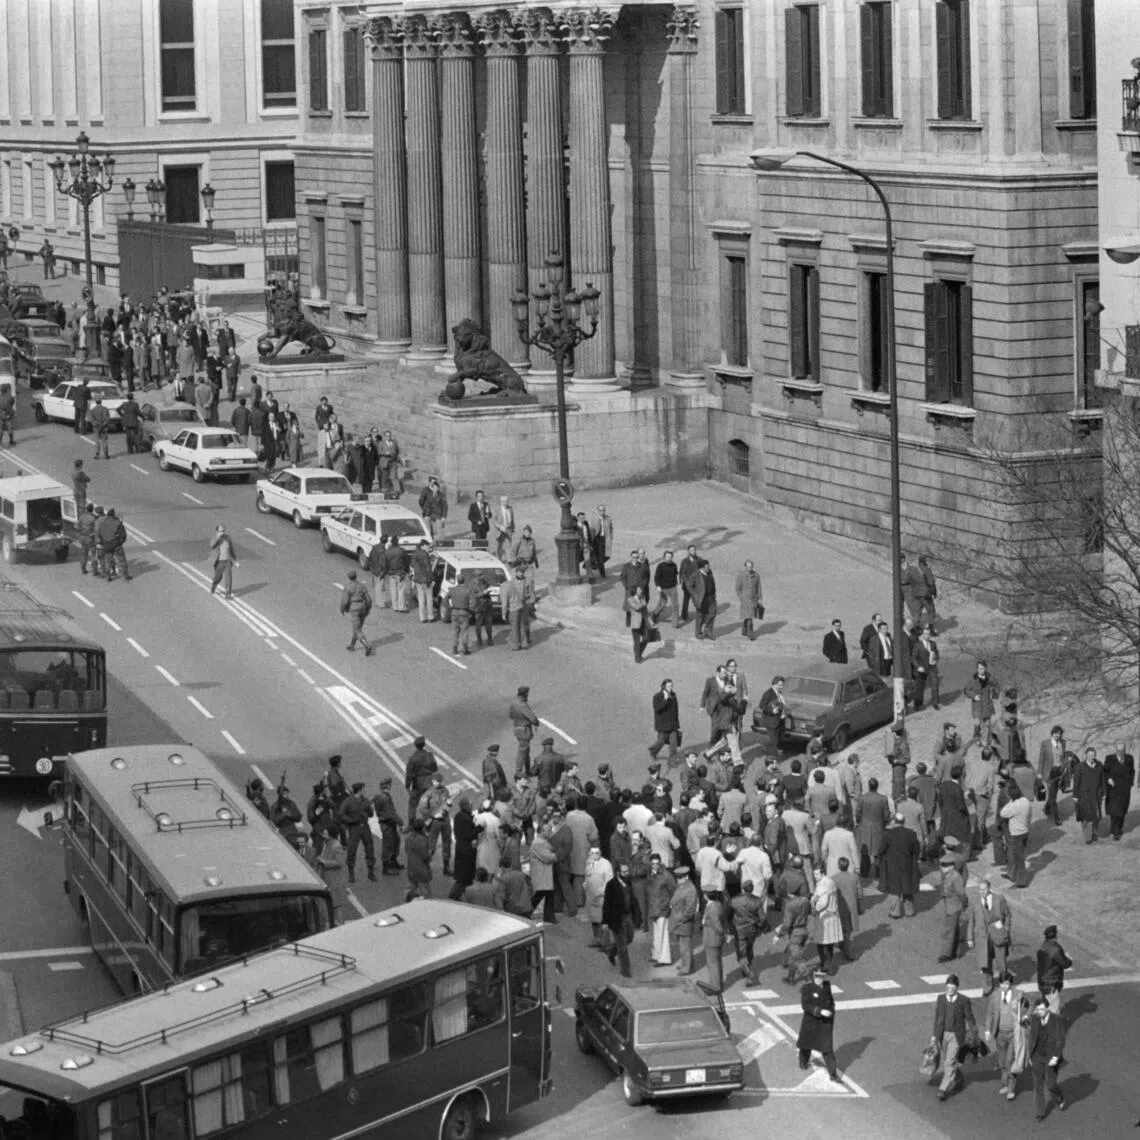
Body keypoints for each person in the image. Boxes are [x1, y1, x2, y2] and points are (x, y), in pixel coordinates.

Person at [930, 974, 976, 1102]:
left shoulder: (963, 1000)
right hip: (942, 1035)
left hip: (956, 1035)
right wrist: (934, 1036)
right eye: (948, 987)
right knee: (949, 1059)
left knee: (949, 1061)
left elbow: (970, 1018)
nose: (950, 989)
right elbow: (937, 1018)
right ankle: (959, 1078)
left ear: (957, 988)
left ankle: (943, 1089)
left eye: (953, 987)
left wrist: (974, 1033)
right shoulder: (940, 999)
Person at [984, 970, 1028, 1102]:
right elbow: (990, 1013)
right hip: (999, 1034)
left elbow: (1029, 1006)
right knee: (1002, 1061)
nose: (1004, 986)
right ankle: (1004, 1083)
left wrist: (1025, 1016)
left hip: (1013, 1033)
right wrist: (987, 1030)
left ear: (1010, 983)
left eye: (1007, 983)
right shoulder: (995, 995)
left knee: (1010, 1061)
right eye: (1002, 983)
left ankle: (1011, 1088)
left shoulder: (1018, 994)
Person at [966, 878, 1011, 995]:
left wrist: (1006, 930)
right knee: (985, 964)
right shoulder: (975, 903)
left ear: (989, 889)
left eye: (984, 889)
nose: (982, 892)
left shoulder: (999, 899)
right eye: (979, 890)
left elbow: (1008, 915)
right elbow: (971, 921)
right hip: (982, 938)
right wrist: (970, 938)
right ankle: (987, 987)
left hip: (998, 936)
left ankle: (1004, 982)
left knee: (1001, 963)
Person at [798, 966, 842, 1082]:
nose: (819, 979)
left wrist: (831, 1012)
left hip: (824, 1024)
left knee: (827, 1049)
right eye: (817, 976)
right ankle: (803, 1061)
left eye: (821, 976)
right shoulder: (807, 988)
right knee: (806, 1045)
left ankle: (833, 1075)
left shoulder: (827, 986)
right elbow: (805, 1005)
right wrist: (820, 1011)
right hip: (811, 1022)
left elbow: (831, 1001)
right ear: (813, 976)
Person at [1027, 995, 1067, 1121]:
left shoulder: (1056, 1020)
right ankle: (1041, 1111)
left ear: (1047, 1009)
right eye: (1038, 1010)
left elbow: (1061, 1039)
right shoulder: (1034, 1018)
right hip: (1037, 1056)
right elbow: (1031, 1037)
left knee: (1051, 1084)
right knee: (1038, 1085)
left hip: (1051, 1057)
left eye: (1042, 1010)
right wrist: (1029, 1055)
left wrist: (1056, 1056)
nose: (1040, 1012)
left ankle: (1059, 1095)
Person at [879, 811, 920, 919]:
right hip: (907, 864)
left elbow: (881, 850)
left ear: (894, 821)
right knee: (907, 887)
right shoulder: (911, 833)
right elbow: (916, 850)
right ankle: (909, 910)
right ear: (904, 821)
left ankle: (895, 912)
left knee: (894, 889)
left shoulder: (888, 834)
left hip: (892, 865)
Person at [337, 782, 376, 883]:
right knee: (352, 850)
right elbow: (341, 814)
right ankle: (351, 874)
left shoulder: (365, 801)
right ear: (359, 790)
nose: (364, 790)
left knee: (369, 849)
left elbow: (371, 814)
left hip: (365, 827)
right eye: (363, 788)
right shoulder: (348, 801)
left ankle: (371, 872)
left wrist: (368, 809)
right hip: (354, 828)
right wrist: (351, 821)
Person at [937, 849, 968, 962]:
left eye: (945, 865)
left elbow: (961, 893)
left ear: (952, 866)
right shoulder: (949, 875)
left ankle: (947, 953)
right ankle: (954, 951)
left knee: (949, 930)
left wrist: (964, 904)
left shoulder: (955, 877)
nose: (942, 868)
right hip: (951, 904)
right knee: (954, 929)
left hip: (954, 906)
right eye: (942, 865)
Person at [1036, 925, 1072, 1014]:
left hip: (1042, 981)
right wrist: (1069, 959)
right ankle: (1049, 1026)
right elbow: (1065, 963)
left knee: (1046, 1004)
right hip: (1051, 983)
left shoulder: (1043, 946)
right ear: (1055, 936)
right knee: (1053, 1009)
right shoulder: (1055, 949)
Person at [1072, 746, 1105, 843]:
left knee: (1096, 816)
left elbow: (1102, 779)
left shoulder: (1099, 765)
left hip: (1096, 795)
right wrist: (1075, 795)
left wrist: (1104, 792)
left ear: (1095, 756)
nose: (1091, 757)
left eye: (1093, 755)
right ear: (1086, 755)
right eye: (1089, 755)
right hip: (1084, 795)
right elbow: (1076, 782)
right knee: (1086, 816)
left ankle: (1094, 833)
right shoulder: (1080, 767)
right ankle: (1088, 837)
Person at [1103, 741, 1135, 840]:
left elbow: (1132, 771)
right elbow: (1105, 772)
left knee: (1122, 810)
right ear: (1116, 750)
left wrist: (1130, 781)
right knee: (1115, 811)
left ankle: (1119, 829)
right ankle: (1115, 832)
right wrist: (1108, 779)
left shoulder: (1129, 758)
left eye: (1122, 750)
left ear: (1125, 750)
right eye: (1119, 750)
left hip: (1125, 789)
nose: (1121, 752)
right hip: (1113, 789)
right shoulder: (1109, 758)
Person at [1036, 725, 1067, 826]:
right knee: (1053, 795)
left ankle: (1046, 808)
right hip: (1049, 772)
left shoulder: (1063, 742)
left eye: (1059, 734)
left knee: (1054, 792)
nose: (1057, 736)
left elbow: (1063, 756)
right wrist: (1039, 773)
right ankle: (1057, 817)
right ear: (1052, 733)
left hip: (1059, 771)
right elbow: (1041, 759)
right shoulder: (1045, 744)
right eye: (1055, 734)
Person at [317, 825, 348, 923]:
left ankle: (341, 924)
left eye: (325, 833)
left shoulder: (336, 846)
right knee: (332, 903)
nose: (323, 835)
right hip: (328, 877)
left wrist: (324, 862)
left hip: (334, 879)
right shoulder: (327, 843)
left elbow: (339, 863)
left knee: (336, 904)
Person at [339, 570, 375, 655]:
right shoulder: (362, 586)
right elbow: (369, 599)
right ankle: (352, 645)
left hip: (355, 609)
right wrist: (368, 609)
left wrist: (342, 610)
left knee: (357, 629)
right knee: (358, 628)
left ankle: (367, 645)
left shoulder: (348, 587)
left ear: (349, 578)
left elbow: (345, 601)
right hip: (363, 608)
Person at [963, 661, 999, 742]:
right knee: (977, 724)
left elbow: (997, 686)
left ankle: (986, 740)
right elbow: (966, 690)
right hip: (977, 705)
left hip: (987, 704)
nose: (981, 670)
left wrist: (994, 694)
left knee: (987, 723)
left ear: (985, 669)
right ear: (977, 669)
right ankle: (977, 738)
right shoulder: (973, 679)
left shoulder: (990, 678)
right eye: (979, 668)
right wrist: (974, 696)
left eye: (982, 668)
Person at [701, 890, 729, 992]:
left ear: (706, 896)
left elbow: (717, 925)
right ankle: (718, 984)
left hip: (712, 939)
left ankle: (715, 987)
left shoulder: (712, 907)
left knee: (712, 964)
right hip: (716, 939)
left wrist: (706, 922)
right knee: (717, 962)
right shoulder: (718, 904)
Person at [508, 686, 539, 777]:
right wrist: (535, 723)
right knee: (522, 751)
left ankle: (528, 770)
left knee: (525, 750)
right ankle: (519, 771)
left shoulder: (514, 703)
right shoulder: (523, 705)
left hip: (517, 727)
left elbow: (510, 715)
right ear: (525, 694)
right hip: (524, 730)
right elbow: (532, 719)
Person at [405, 819, 433, 900]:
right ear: (422, 828)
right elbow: (426, 857)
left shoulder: (408, 837)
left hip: (411, 868)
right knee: (425, 893)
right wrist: (430, 854)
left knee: (413, 890)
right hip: (421, 869)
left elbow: (406, 850)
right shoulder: (422, 839)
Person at [735, 559, 763, 639]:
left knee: (749, 616)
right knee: (749, 616)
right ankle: (750, 634)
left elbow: (759, 587)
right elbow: (737, 588)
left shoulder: (756, 575)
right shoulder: (741, 575)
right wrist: (741, 597)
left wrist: (760, 598)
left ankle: (744, 630)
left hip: (753, 599)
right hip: (745, 600)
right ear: (745, 567)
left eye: (751, 566)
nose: (750, 568)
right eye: (748, 567)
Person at [208, 525, 238, 600]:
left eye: (223, 531)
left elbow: (231, 550)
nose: (222, 532)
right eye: (220, 531)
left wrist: (235, 560)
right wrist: (218, 539)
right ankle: (213, 586)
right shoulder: (215, 539)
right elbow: (212, 546)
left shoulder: (227, 538)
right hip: (220, 562)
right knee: (217, 577)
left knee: (228, 578)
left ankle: (228, 594)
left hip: (227, 561)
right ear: (217, 532)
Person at [449, 570, 474, 655]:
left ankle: (454, 648)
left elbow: (445, 599)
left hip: (454, 612)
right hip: (464, 612)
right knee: (464, 631)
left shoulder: (453, 590)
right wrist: (471, 611)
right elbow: (472, 602)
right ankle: (465, 648)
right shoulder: (467, 591)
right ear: (464, 580)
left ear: (457, 580)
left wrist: (450, 607)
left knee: (455, 631)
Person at [692, 560, 718, 640]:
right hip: (701, 599)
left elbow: (712, 582)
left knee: (712, 613)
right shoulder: (696, 574)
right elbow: (689, 586)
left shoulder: (710, 572)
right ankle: (698, 632)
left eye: (709, 566)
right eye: (707, 566)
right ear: (702, 567)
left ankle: (708, 631)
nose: (709, 568)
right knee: (700, 616)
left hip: (711, 597)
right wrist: (695, 596)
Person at [418, 476, 447, 542]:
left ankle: (441, 542)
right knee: (428, 529)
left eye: (436, 483)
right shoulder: (425, 490)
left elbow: (445, 506)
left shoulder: (441, 495)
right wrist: (424, 508)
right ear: (429, 482)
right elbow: (421, 501)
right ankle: (430, 541)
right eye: (433, 482)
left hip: (437, 514)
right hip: (427, 513)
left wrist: (444, 516)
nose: (434, 484)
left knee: (439, 528)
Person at [627, 585, 650, 663]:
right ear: (635, 592)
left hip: (644, 623)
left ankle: (638, 653)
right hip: (636, 625)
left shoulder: (642, 598)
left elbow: (646, 610)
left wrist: (650, 621)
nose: (641, 590)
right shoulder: (630, 599)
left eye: (640, 589)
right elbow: (637, 607)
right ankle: (637, 658)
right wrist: (643, 603)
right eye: (639, 589)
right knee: (636, 642)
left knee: (647, 638)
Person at [592, 504, 613, 578]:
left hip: (605, 538)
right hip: (597, 539)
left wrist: (611, 537)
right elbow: (592, 530)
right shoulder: (594, 518)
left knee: (607, 555)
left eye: (603, 510)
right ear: (598, 511)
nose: (602, 512)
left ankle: (596, 564)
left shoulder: (608, 518)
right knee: (600, 556)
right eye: (600, 510)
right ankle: (602, 573)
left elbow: (611, 528)